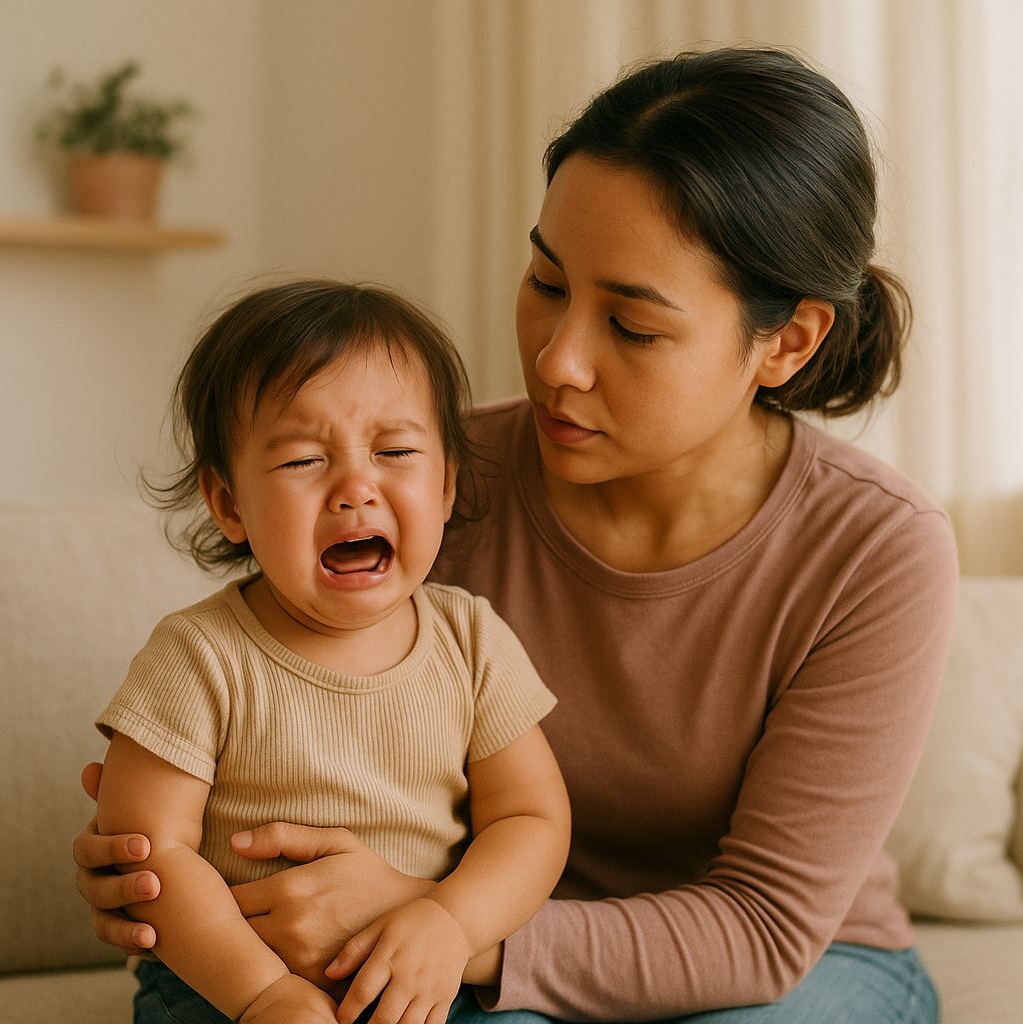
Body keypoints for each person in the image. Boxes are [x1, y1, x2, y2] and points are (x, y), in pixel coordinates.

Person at [75, 47, 958, 1023]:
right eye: (545, 281)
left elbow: (760, 929)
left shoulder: (875, 549)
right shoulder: (425, 482)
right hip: (449, 956)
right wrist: (169, 874)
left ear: (786, 342)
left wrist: (439, 921)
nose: (555, 358)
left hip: (777, 972)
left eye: (630, 326)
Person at [90, 280, 571, 1024]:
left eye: (395, 450)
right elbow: (151, 853)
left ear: (445, 485)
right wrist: (263, 995)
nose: (356, 489)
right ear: (228, 504)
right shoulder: (197, 657)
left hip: (431, 969)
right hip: (225, 984)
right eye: (303, 461)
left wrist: (452, 923)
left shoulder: (471, 640)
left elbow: (532, 820)